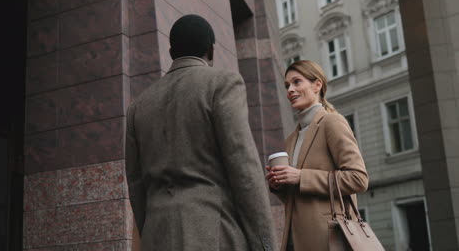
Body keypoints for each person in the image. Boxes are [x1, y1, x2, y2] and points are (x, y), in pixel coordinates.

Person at [125, 14, 277, 251]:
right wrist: (265, 244)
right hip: (212, 233)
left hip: (157, 235)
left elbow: (136, 185)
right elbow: (244, 169)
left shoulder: (138, 106)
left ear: (171, 52)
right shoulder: (222, 84)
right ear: (211, 51)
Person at [265, 60, 368, 251]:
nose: (290, 90)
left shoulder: (331, 122)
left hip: (328, 239)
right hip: (294, 240)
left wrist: (300, 176)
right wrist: (279, 185)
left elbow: (358, 179)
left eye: (297, 82)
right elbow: (297, 196)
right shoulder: (291, 139)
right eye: (287, 85)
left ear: (317, 85)